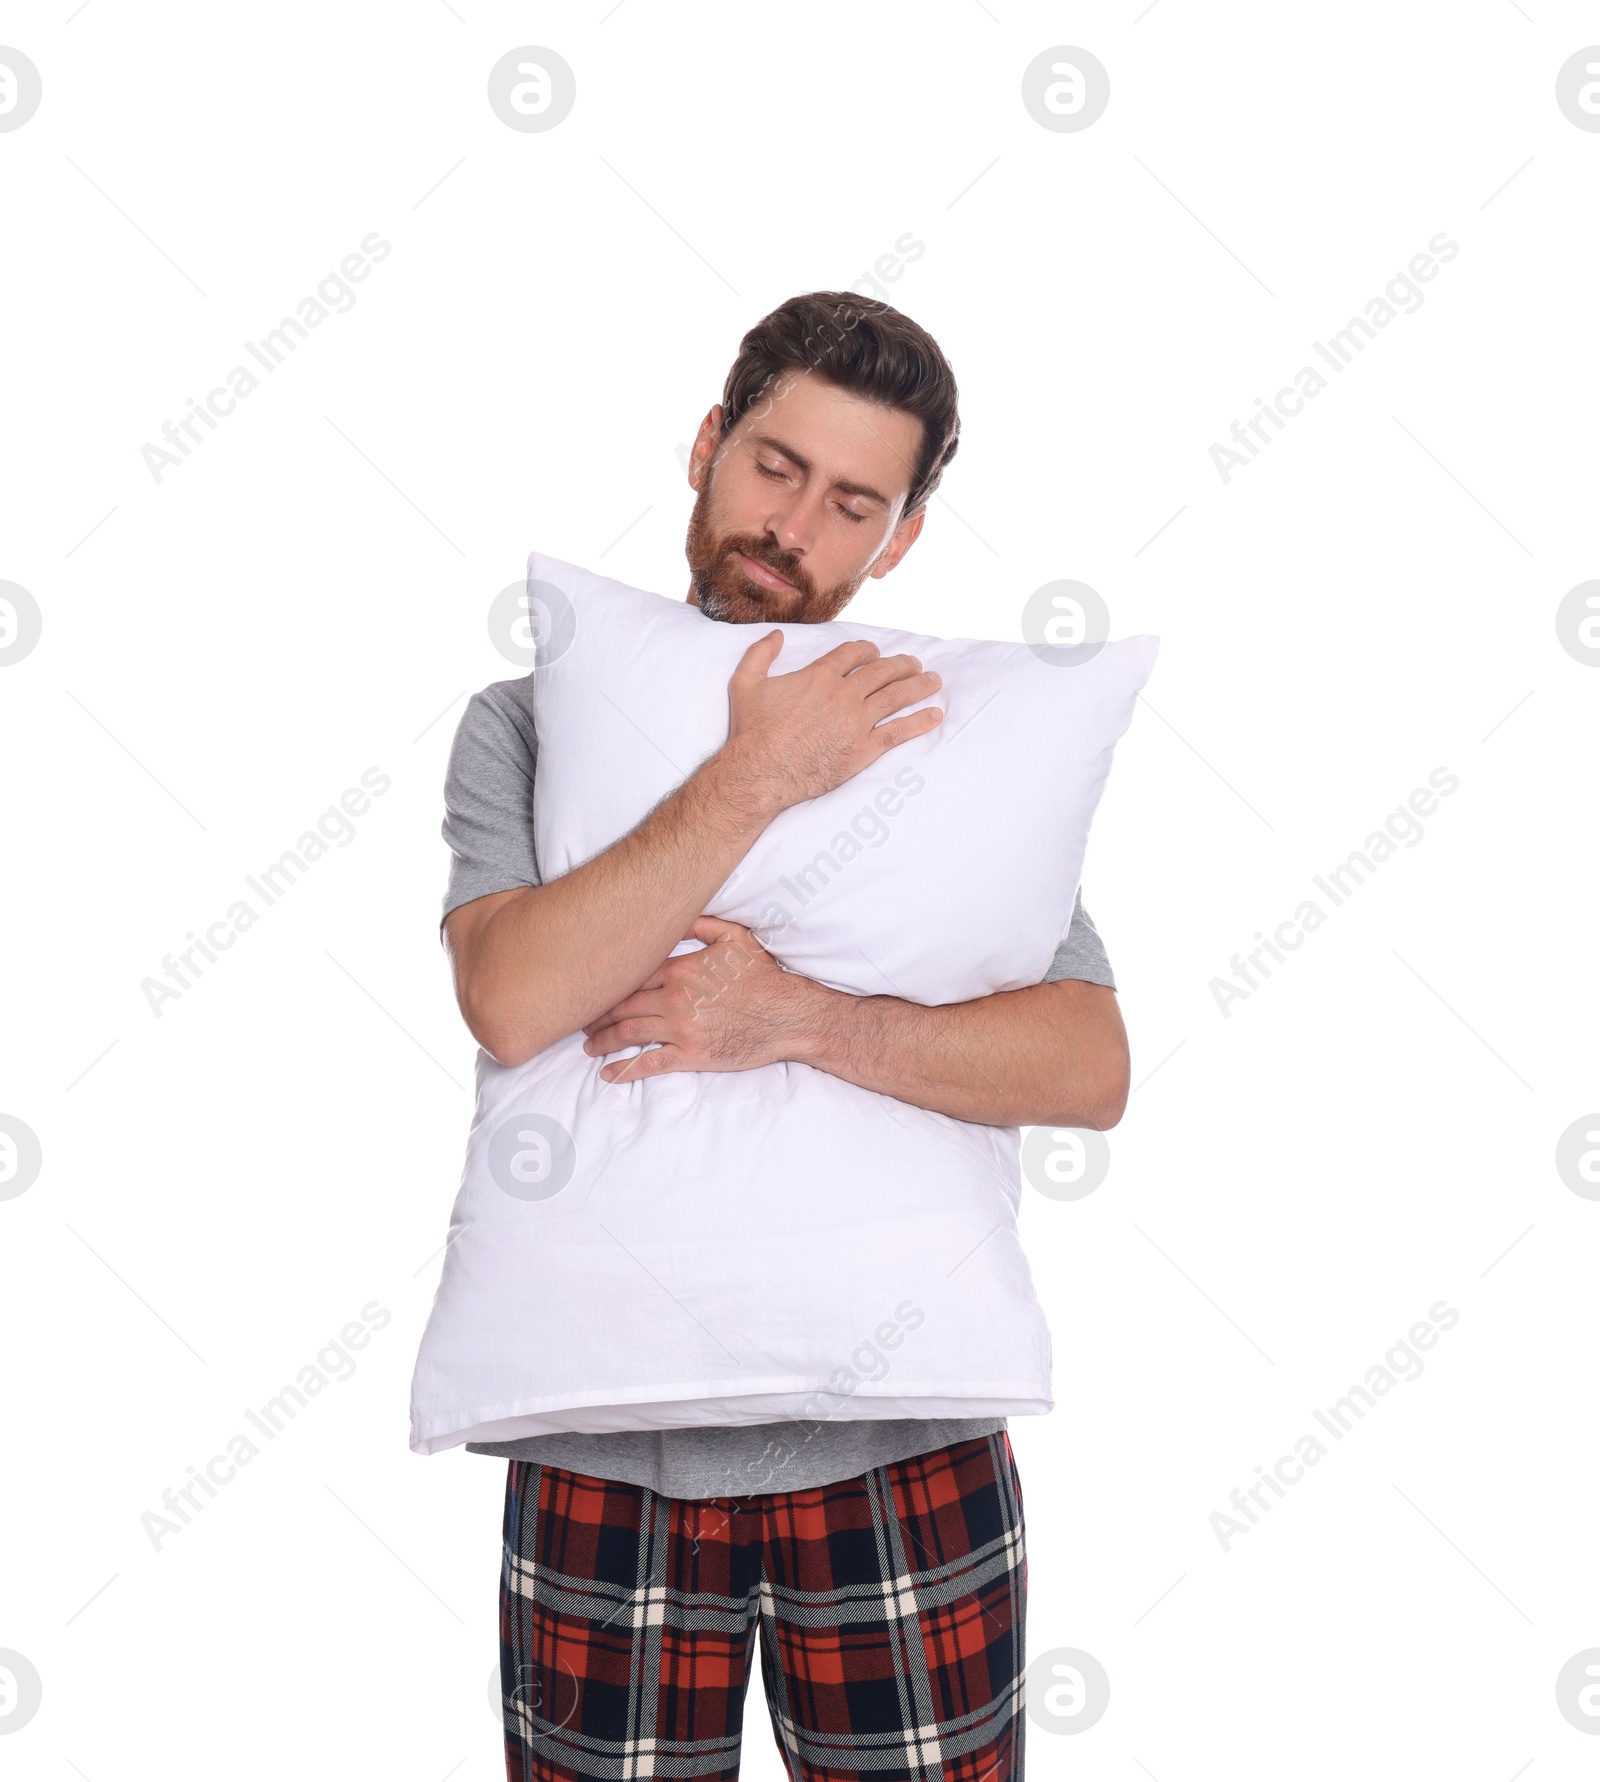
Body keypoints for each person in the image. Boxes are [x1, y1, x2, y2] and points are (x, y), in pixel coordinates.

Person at [440, 292, 1129, 1780]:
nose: (791, 525)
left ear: (900, 540)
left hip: (901, 1452)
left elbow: (1089, 1064)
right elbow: (508, 996)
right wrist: (755, 778)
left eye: (851, 502)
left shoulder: (952, 733)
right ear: (706, 445)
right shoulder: (529, 717)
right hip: (600, 1445)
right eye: (772, 465)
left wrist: (803, 1020)